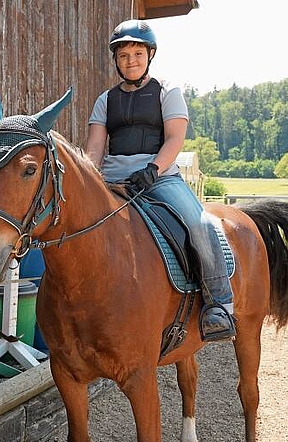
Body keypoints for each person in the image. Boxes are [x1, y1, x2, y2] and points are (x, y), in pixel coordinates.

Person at [84, 19, 236, 342]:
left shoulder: (167, 91)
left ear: (149, 55)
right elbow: (95, 148)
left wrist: (153, 169)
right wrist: (88, 179)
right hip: (113, 179)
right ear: (116, 60)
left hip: (159, 177)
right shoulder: (104, 101)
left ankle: (219, 304)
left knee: (200, 224)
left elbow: (174, 138)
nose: (131, 61)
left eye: (137, 53)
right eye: (124, 55)